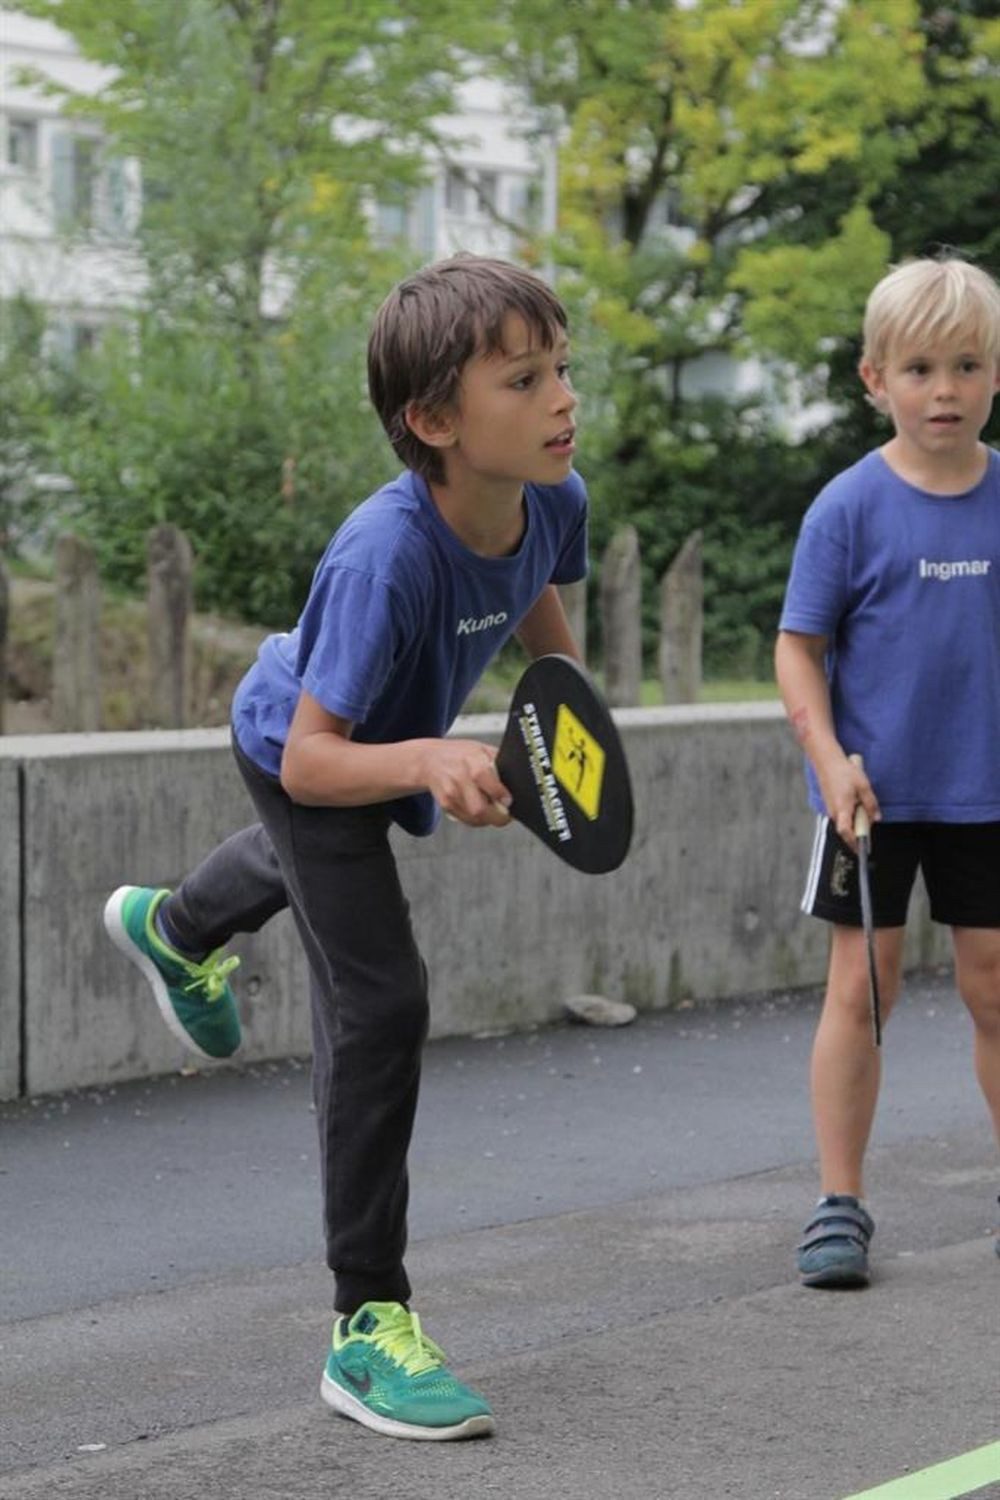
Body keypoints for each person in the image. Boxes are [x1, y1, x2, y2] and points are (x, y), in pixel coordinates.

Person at [103, 254, 586, 1438]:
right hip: (299, 745)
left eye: (563, 369)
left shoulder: (554, 494)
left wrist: (555, 739)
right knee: (379, 1002)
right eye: (524, 381)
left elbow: (543, 620)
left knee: (331, 869)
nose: (563, 399)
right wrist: (428, 758)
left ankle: (173, 927)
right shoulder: (385, 555)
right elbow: (319, 762)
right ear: (433, 422)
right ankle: (365, 1325)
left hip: (378, 740)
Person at [775, 254, 1000, 1289]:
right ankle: (838, 1204)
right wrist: (826, 761)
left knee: (992, 989)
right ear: (874, 379)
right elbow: (797, 649)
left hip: (986, 796)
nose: (942, 389)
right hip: (868, 796)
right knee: (861, 992)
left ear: (995, 374)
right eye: (917, 369)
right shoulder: (846, 509)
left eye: (965, 365)